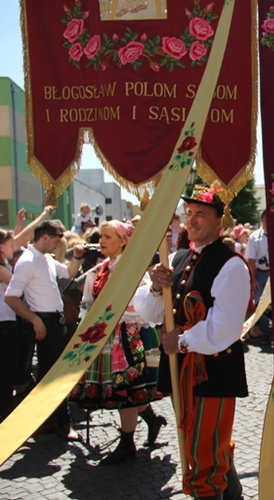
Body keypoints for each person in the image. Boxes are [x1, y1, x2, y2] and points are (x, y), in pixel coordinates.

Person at [134, 185, 250, 499]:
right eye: (189, 214)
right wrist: (157, 288)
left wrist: (182, 341)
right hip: (181, 367)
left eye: (201, 214)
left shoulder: (232, 265)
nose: (192, 220)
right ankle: (232, 492)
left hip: (213, 370)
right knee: (198, 443)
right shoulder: (178, 256)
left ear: (219, 221)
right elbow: (150, 312)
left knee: (204, 456)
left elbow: (226, 327)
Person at [69, 220, 166, 465]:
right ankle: (151, 421)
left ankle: (127, 443)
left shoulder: (134, 270)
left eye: (108, 237)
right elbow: (87, 304)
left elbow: (142, 306)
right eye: (101, 236)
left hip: (130, 337)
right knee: (125, 391)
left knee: (128, 391)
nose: (101, 241)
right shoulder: (100, 269)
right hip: (107, 337)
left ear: (124, 241)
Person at [4, 220, 84, 441]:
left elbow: (68, 272)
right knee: (56, 376)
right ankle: (61, 422)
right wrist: (34, 319)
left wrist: (77, 257)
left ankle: (49, 421)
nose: (59, 243)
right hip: (45, 322)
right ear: (45, 237)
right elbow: (10, 296)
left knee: (51, 375)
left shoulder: (45, 259)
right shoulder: (27, 261)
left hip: (54, 322)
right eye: (57, 239)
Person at [244, 210, 271, 342]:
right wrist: (253, 278)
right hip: (260, 273)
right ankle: (266, 330)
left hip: (273, 273)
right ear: (263, 220)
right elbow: (251, 260)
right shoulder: (255, 237)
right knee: (259, 303)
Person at [0, 230, 19, 422]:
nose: (14, 247)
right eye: (11, 245)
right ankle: (5, 413)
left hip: (6, 322)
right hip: (3, 324)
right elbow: (17, 284)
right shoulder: (1, 269)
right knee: (5, 371)